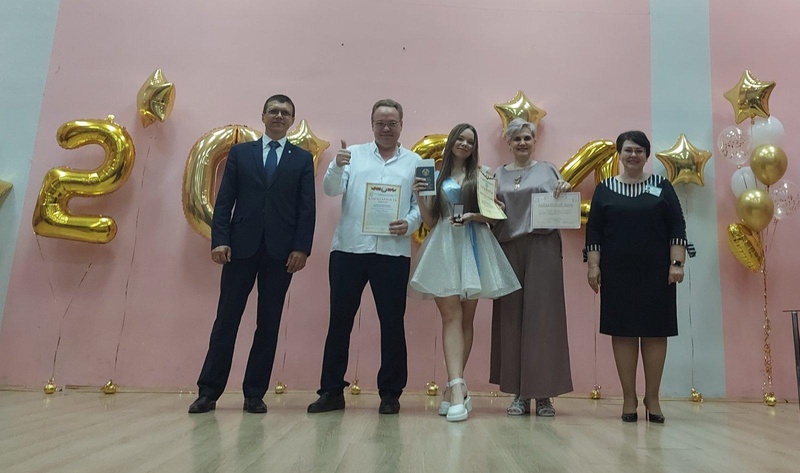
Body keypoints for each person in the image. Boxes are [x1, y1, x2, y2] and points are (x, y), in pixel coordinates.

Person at [188, 95, 316, 414]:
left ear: (292, 120)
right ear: (263, 116)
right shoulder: (240, 153)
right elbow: (224, 200)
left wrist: (301, 248)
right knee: (226, 321)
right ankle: (209, 392)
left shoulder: (302, 159)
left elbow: (306, 209)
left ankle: (255, 393)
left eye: (285, 113)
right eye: (273, 111)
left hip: (281, 253)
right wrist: (220, 239)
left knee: (268, 324)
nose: (278, 116)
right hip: (239, 249)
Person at [308, 99, 421, 415]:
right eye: (380, 122)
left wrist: (409, 223)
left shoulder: (415, 162)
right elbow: (331, 190)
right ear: (372, 125)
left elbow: (420, 205)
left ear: (401, 126)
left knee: (392, 324)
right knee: (339, 322)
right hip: (349, 250)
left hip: (393, 252)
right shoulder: (353, 155)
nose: (386, 128)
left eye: (392, 123)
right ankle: (331, 391)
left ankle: (391, 393)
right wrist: (337, 164)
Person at [409, 123, 520, 422]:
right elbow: (430, 221)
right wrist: (419, 196)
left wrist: (473, 215)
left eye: (471, 141)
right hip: (444, 245)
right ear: (451, 142)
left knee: (466, 319)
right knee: (450, 316)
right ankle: (458, 388)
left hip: (474, 245)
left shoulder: (483, 175)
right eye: (460, 139)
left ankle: (453, 388)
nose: (465, 144)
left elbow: (495, 216)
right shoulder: (435, 176)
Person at [585, 130, 687, 424]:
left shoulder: (661, 186)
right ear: (620, 154)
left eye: (639, 150)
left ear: (646, 155)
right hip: (617, 273)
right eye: (628, 150)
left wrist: (676, 263)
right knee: (624, 333)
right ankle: (629, 398)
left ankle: (652, 398)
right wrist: (593, 266)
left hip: (657, 273)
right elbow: (594, 232)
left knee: (656, 333)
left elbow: (677, 226)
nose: (633, 155)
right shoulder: (605, 188)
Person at [490, 118, 573, 417]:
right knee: (511, 318)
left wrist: (564, 187)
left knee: (544, 319)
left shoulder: (549, 170)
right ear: (508, 143)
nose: (522, 142)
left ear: (534, 141)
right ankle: (519, 394)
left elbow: (562, 198)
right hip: (508, 247)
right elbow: (488, 210)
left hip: (543, 246)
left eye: (527, 137)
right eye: (517, 139)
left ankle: (544, 394)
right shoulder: (496, 175)